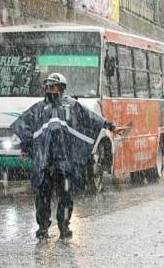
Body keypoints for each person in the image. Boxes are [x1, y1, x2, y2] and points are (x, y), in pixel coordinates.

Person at [11, 73, 126, 240]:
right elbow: (26, 128)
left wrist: (110, 126)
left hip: (65, 163)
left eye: (53, 87)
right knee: (43, 196)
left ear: (61, 88)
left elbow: (91, 118)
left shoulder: (72, 106)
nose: (49, 90)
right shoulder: (38, 109)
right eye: (47, 87)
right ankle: (43, 227)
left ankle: (64, 227)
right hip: (45, 163)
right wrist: (26, 148)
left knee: (65, 196)